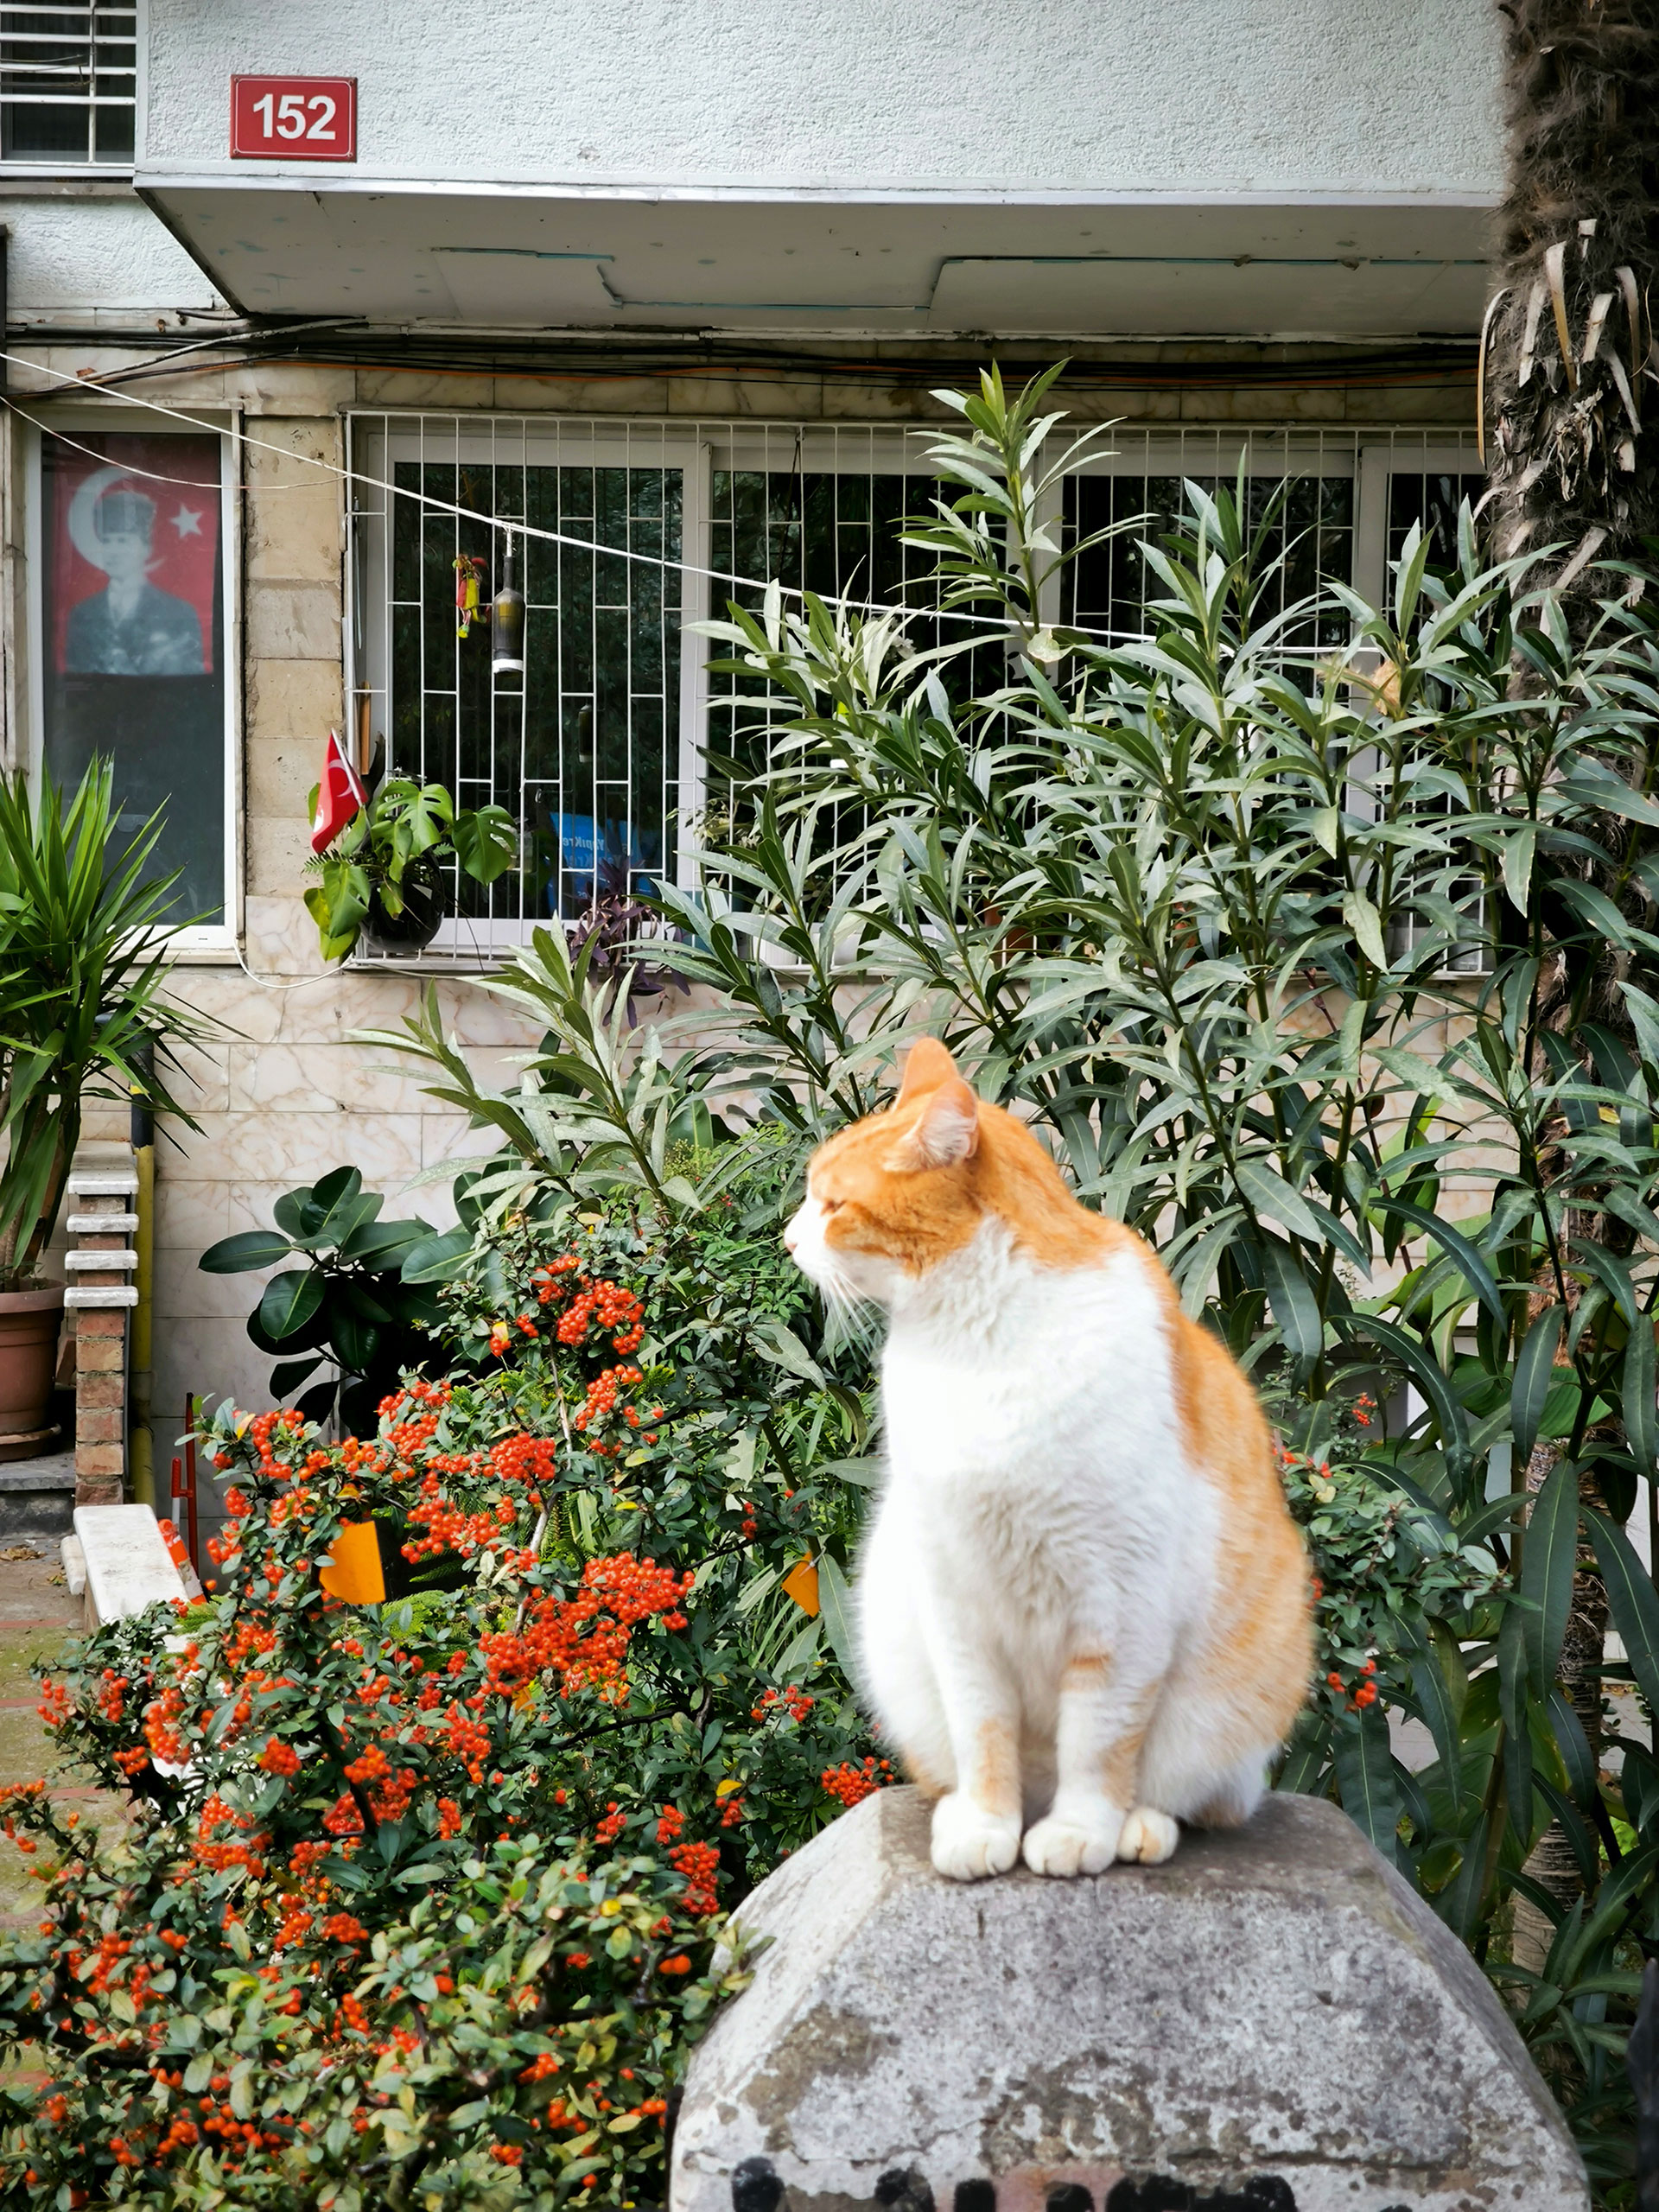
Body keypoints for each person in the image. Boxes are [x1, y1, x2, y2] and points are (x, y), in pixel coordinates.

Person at [64, 486, 204, 677]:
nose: (113, 551)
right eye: (106, 541)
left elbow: (189, 679)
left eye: (123, 541)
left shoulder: (179, 611)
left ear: (146, 549)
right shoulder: (82, 613)